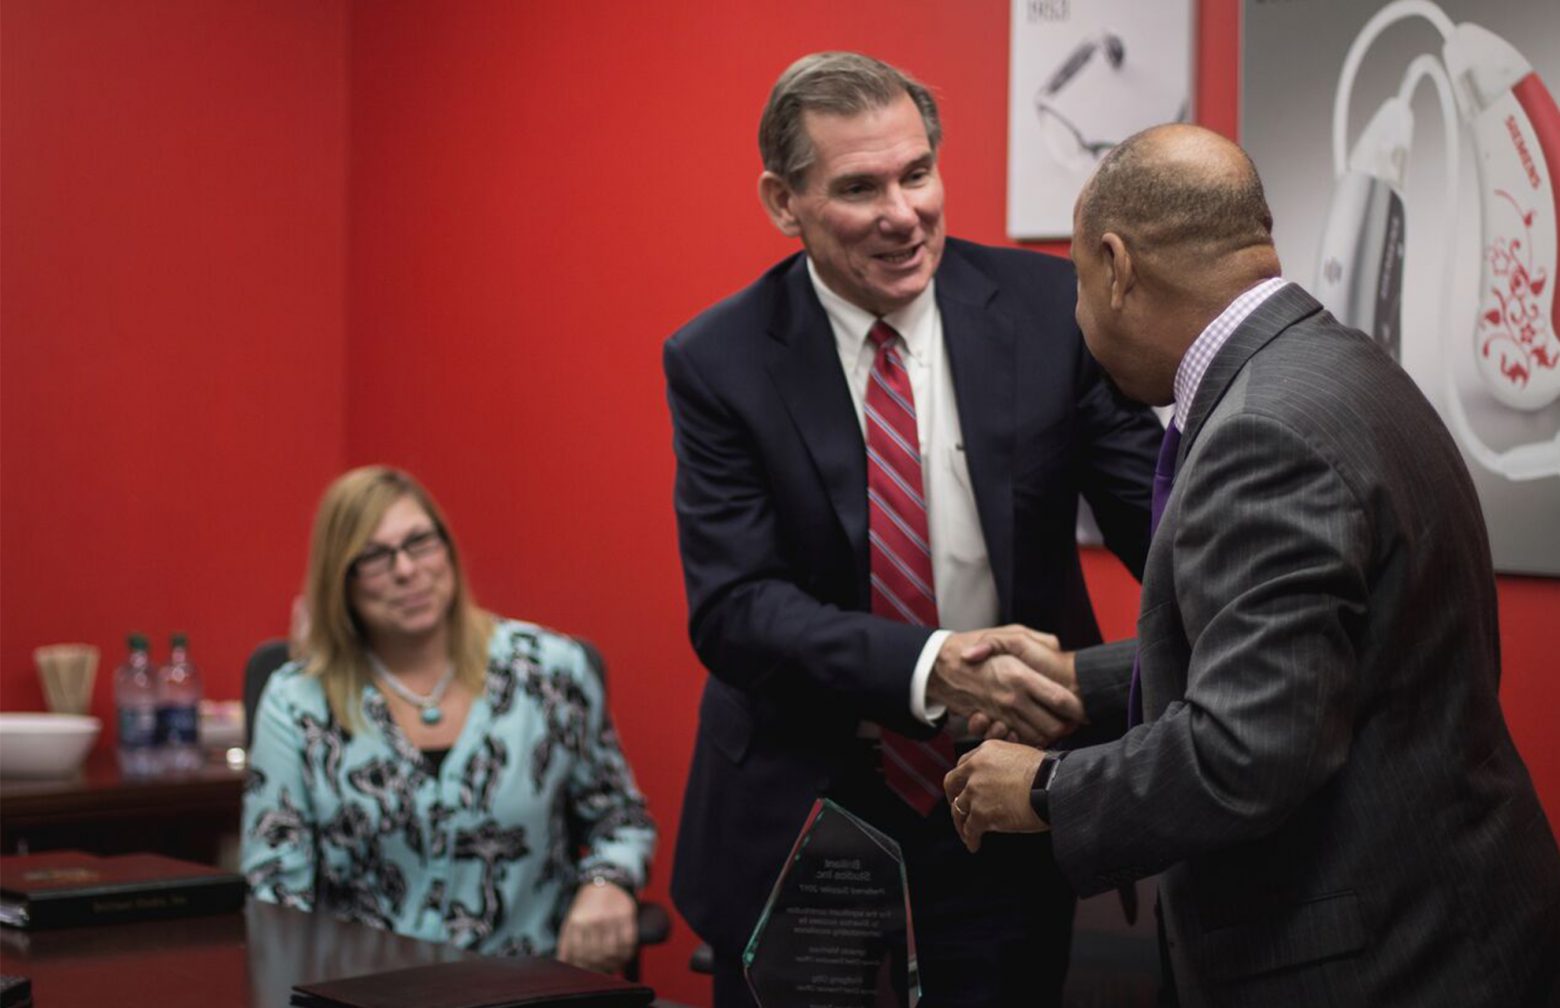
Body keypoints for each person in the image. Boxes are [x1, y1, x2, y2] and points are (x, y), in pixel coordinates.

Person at [946, 124, 1560, 1006]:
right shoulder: (1330, 367)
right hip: (1451, 909)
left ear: (1116, 267)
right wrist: (1080, 678)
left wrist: (1045, 787)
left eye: (1079, 284)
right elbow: (1315, 659)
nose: (1079, 318)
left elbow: (1248, 751)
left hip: (1381, 958)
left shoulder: (1260, 435)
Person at [663, 51, 1164, 1006]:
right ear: (784, 201)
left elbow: (1167, 531)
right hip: (806, 813)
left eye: (917, 173)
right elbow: (734, 610)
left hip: (1006, 798)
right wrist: (932, 666)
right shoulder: (719, 360)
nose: (903, 213)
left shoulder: (1048, 311)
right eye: (859, 187)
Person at [242, 466, 656, 972]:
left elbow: (621, 820)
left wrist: (607, 884)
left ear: (448, 548)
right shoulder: (298, 701)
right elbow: (277, 894)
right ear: (340, 579)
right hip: (364, 994)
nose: (406, 570)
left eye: (420, 542)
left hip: (527, 989)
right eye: (374, 557)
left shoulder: (547, 671)